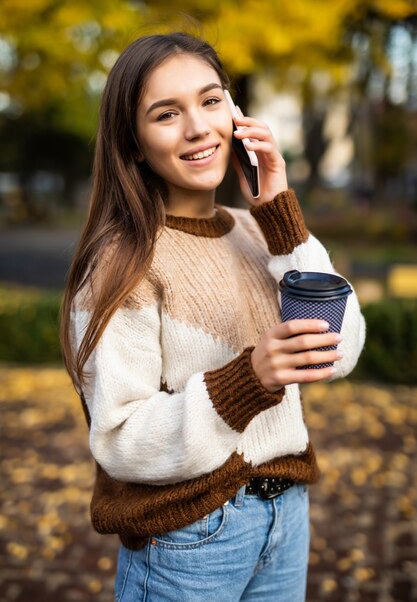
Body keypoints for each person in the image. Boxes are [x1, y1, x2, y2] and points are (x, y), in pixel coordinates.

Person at [60, 32, 366, 602]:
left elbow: (337, 351)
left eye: (211, 99)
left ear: (236, 112)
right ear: (132, 143)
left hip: (286, 516)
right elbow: (120, 440)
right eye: (166, 114)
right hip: (188, 540)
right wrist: (251, 379)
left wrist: (281, 214)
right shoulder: (121, 263)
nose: (198, 127)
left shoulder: (260, 233)